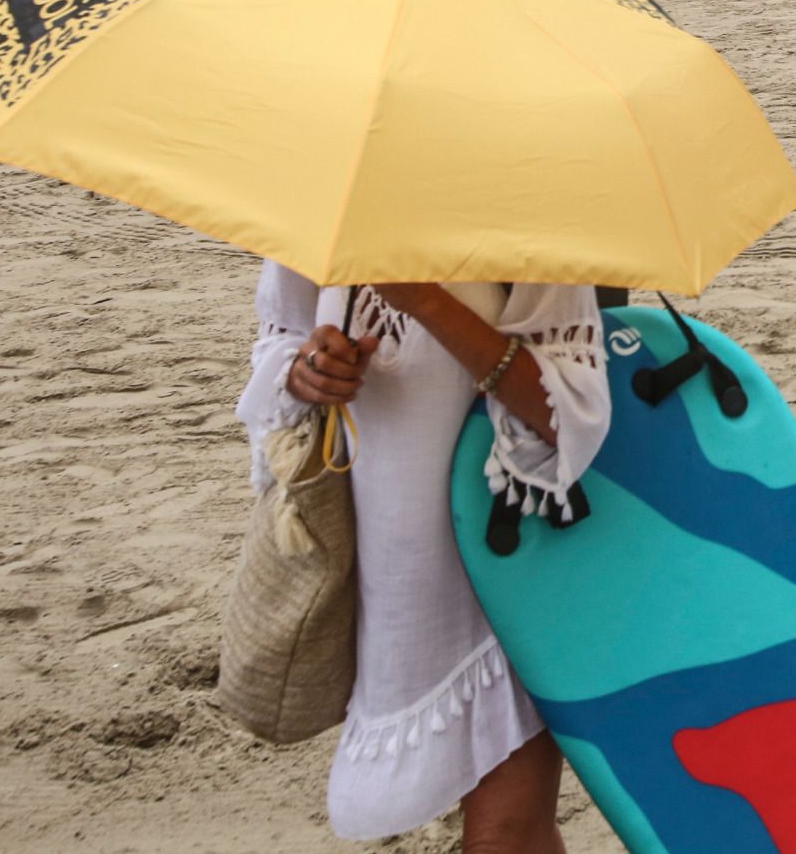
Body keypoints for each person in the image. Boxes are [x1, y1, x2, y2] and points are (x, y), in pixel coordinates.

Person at [237, 271, 611, 850]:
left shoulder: (531, 209)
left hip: (509, 564)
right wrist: (307, 370)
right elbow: (282, 335)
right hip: (392, 577)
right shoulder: (336, 201)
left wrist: (426, 301)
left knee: (503, 835)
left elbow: (566, 411)